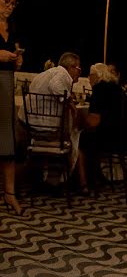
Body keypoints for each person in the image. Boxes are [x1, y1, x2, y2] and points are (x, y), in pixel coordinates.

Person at [20, 52, 85, 189]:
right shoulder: (62, 74)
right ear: (72, 67)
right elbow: (55, 86)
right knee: (73, 136)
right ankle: (57, 180)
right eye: (79, 68)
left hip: (29, 126)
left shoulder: (48, 73)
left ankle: (39, 176)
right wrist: (70, 102)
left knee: (66, 132)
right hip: (45, 130)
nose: (80, 72)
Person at [78, 63, 127, 190]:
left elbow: (94, 120)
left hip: (105, 139)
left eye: (90, 75)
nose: (88, 78)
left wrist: (81, 123)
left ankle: (83, 182)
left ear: (96, 76)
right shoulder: (117, 89)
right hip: (121, 137)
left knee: (79, 139)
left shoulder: (99, 90)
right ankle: (98, 174)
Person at [0, 0, 24, 215]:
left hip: (6, 84)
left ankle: (10, 193)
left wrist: (17, 60)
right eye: (6, 1)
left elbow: (15, 57)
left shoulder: (13, 27)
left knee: (7, 140)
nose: (9, 7)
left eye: (13, 4)